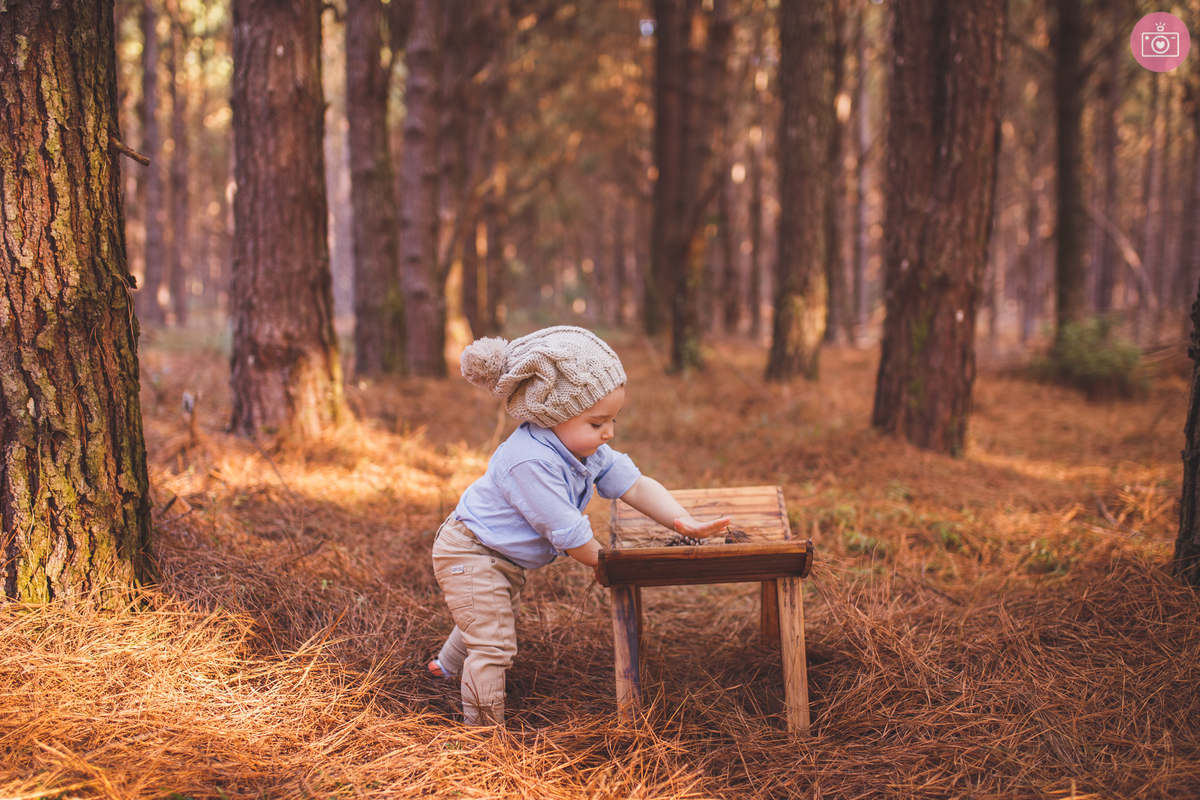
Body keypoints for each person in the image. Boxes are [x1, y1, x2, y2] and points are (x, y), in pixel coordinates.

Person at [428, 325, 730, 726]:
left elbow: (635, 485)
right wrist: (606, 564)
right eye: (597, 422)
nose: (608, 432)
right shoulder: (529, 461)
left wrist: (683, 520)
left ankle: (444, 669)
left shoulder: (584, 448)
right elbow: (569, 532)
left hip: (499, 555)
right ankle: (482, 734)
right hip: (471, 551)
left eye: (613, 420)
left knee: (490, 615)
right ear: (553, 415)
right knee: (494, 644)